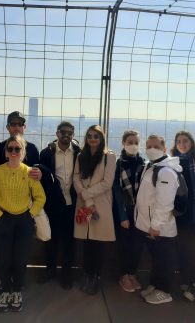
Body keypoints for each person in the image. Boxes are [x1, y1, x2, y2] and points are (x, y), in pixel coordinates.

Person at [0, 135, 46, 313]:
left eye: (17, 149)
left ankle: (17, 290)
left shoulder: (29, 172)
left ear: (23, 152)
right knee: (3, 258)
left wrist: (31, 214)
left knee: (20, 257)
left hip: (24, 220)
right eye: (10, 149)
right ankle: (5, 291)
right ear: (5, 152)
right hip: (4, 219)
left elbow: (40, 197)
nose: (14, 152)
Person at [0, 111, 42, 293]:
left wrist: (31, 213)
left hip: (24, 210)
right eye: (13, 124)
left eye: (20, 124)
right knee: (1, 247)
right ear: (7, 127)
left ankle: (17, 280)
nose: (17, 127)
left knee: (21, 249)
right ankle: (0, 278)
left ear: (25, 127)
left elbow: (39, 176)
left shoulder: (33, 149)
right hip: (2, 209)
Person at [135, 134, 180, 305]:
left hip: (161, 228)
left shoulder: (166, 171)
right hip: (149, 225)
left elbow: (165, 203)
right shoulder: (151, 167)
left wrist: (155, 225)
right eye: (148, 146)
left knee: (163, 261)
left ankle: (165, 292)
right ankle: (155, 286)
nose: (151, 150)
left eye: (156, 146)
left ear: (164, 149)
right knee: (156, 259)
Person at [73, 125, 116, 295]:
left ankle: (95, 276)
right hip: (84, 204)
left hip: (100, 205)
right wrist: (86, 198)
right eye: (89, 135)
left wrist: (86, 195)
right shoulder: (80, 156)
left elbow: (107, 183)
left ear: (102, 138)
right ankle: (87, 274)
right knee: (87, 243)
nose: (92, 139)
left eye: (96, 136)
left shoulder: (109, 157)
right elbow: (76, 177)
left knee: (98, 244)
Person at [38, 121, 81, 289]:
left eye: (70, 132)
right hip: (53, 203)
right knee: (50, 239)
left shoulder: (79, 153)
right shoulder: (46, 153)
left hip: (72, 203)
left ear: (73, 135)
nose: (66, 135)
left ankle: (66, 273)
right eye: (63, 132)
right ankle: (50, 270)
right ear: (57, 133)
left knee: (69, 241)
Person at [170, 130, 195, 301]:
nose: (182, 144)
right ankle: (185, 279)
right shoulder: (171, 163)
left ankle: (194, 282)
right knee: (181, 249)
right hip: (179, 213)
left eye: (185, 141)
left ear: (191, 142)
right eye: (179, 141)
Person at [112, 130, 145, 293]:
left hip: (140, 212)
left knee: (137, 245)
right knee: (124, 245)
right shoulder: (118, 164)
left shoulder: (144, 163)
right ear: (123, 143)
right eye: (130, 142)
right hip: (124, 211)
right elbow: (117, 191)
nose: (133, 145)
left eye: (136, 143)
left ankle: (132, 273)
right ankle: (123, 274)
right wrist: (123, 216)